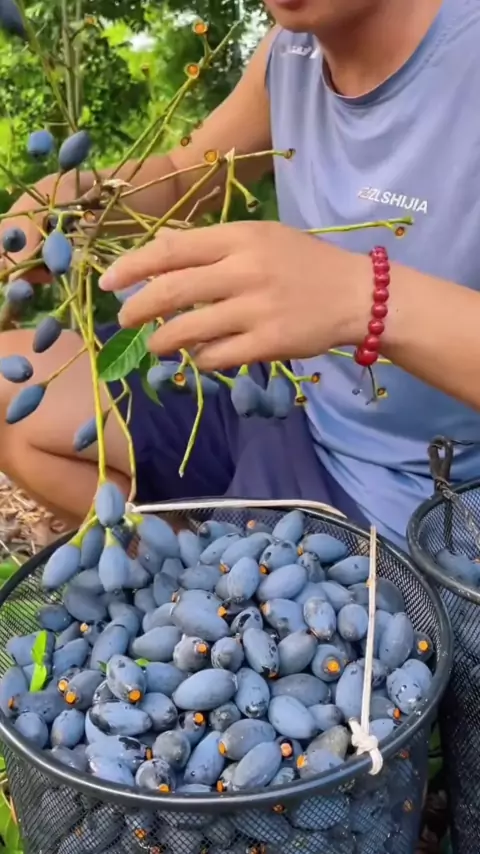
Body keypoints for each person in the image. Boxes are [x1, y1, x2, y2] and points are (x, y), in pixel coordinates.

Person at [0, 0, 479, 546]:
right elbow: (185, 176)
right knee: (10, 394)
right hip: (284, 398)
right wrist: (78, 202)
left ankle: (235, 575)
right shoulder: (290, 51)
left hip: (418, 491)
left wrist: (366, 299)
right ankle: (189, 568)